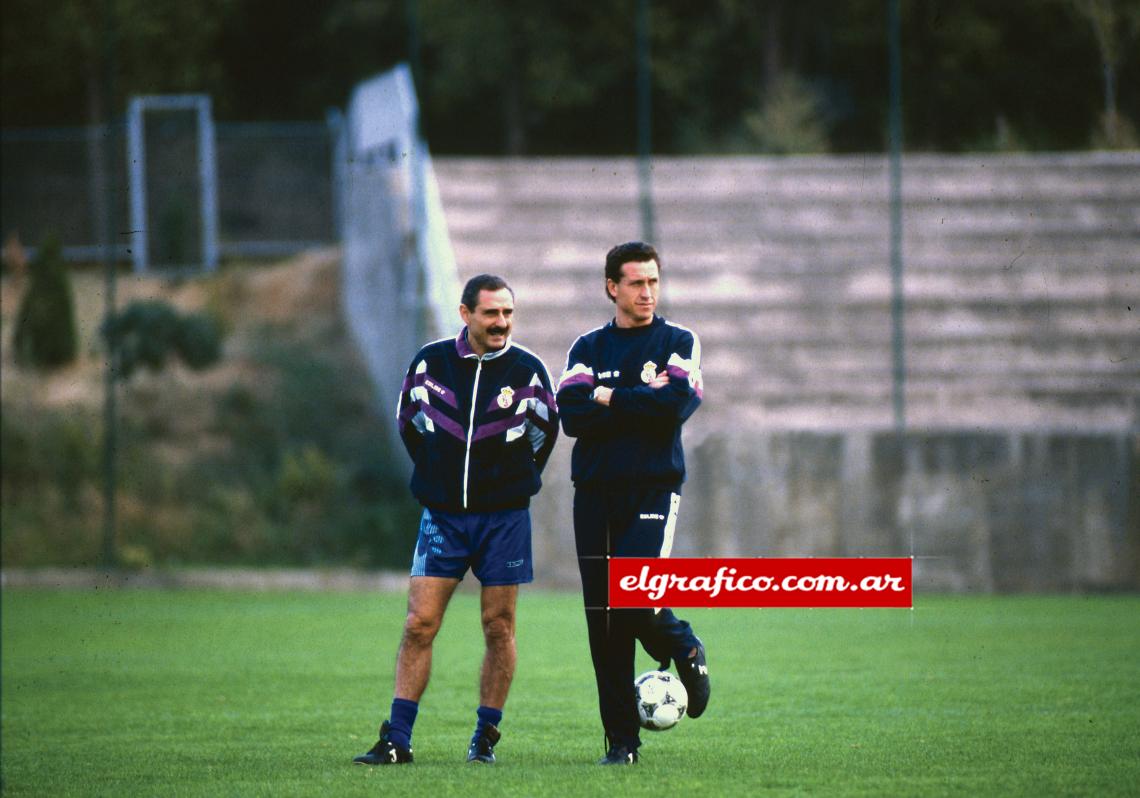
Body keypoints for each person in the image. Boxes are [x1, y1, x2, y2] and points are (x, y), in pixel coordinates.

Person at [354, 274, 558, 766]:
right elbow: (410, 425)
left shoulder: (528, 370)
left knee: (498, 626)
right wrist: (439, 477)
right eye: (491, 313)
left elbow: (543, 436)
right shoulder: (430, 362)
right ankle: (397, 739)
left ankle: (485, 737)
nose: (501, 323)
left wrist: (508, 483)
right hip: (443, 517)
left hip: (504, 520)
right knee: (420, 624)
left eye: (508, 313)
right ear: (465, 314)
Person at [556, 241, 710, 765]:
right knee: (604, 623)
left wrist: (608, 396)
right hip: (594, 495)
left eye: (653, 282)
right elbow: (571, 416)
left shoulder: (679, 340)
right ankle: (622, 743)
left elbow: (674, 406)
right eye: (636, 283)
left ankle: (682, 642)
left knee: (634, 596)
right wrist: (636, 401)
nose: (647, 293)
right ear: (612, 288)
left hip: (652, 490)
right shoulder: (587, 347)